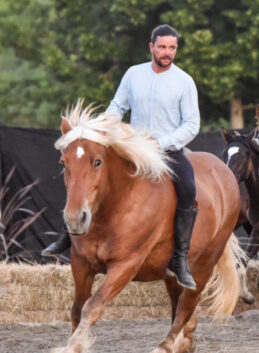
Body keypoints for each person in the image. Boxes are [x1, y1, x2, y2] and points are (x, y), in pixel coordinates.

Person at [43, 24, 200, 290]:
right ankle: (66, 237)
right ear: (151, 47)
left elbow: (192, 124)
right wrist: (100, 128)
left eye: (172, 48)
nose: (167, 52)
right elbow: (117, 107)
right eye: (162, 47)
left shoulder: (184, 81)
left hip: (167, 151)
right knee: (84, 174)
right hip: (132, 148)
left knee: (188, 189)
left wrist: (162, 141)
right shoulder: (133, 74)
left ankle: (180, 260)